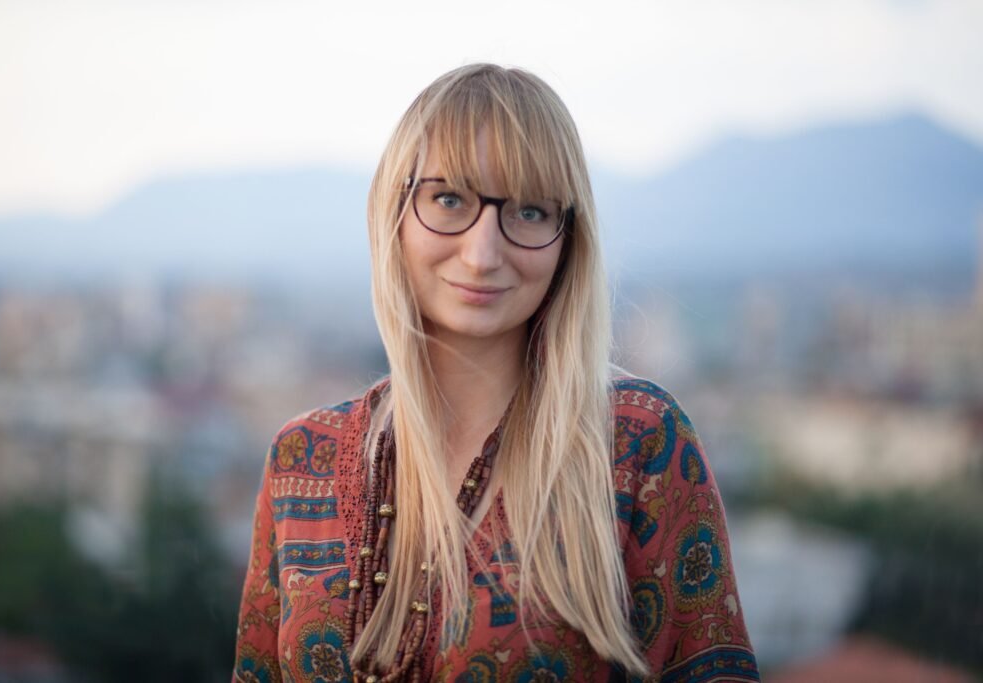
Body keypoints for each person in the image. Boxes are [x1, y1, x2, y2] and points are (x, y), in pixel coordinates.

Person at [232, 63, 759, 683]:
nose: (482, 254)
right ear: (393, 212)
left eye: (530, 211)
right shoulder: (301, 458)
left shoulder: (638, 443)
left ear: (569, 238)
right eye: (449, 199)